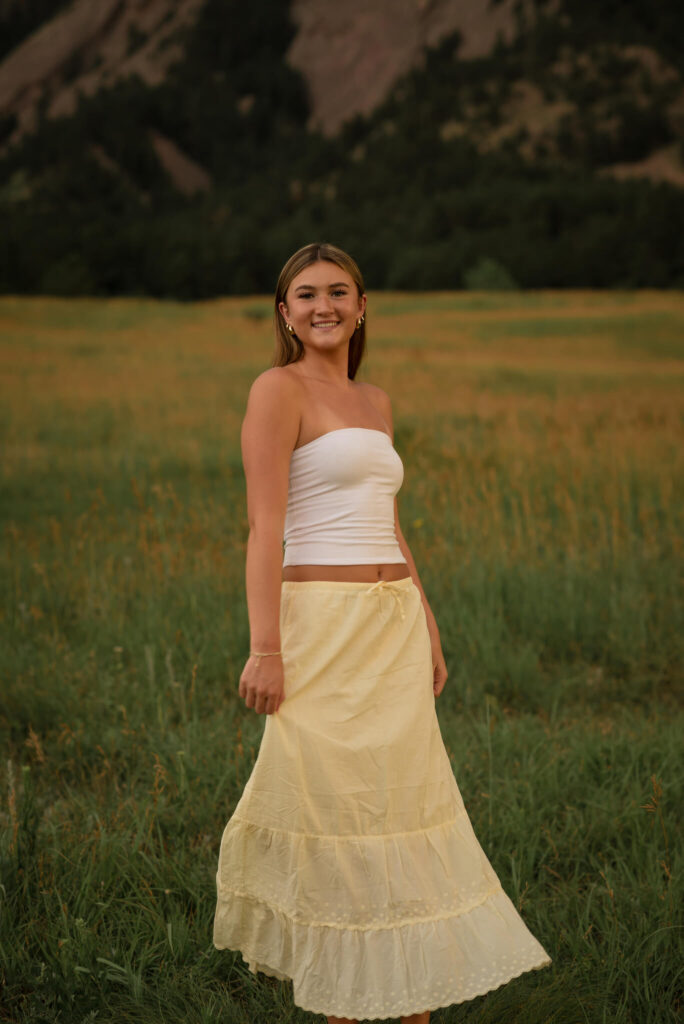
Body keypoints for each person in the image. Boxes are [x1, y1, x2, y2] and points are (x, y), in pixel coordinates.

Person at [213, 242, 551, 1023]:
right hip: (320, 629)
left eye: (338, 291)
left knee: (398, 807)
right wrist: (267, 647)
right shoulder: (276, 390)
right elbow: (265, 528)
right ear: (285, 313)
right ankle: (350, 997)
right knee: (336, 810)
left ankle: (409, 1000)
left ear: (362, 307)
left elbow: (390, 525)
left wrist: (426, 623)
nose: (323, 305)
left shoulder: (377, 401)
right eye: (306, 294)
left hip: (391, 621)